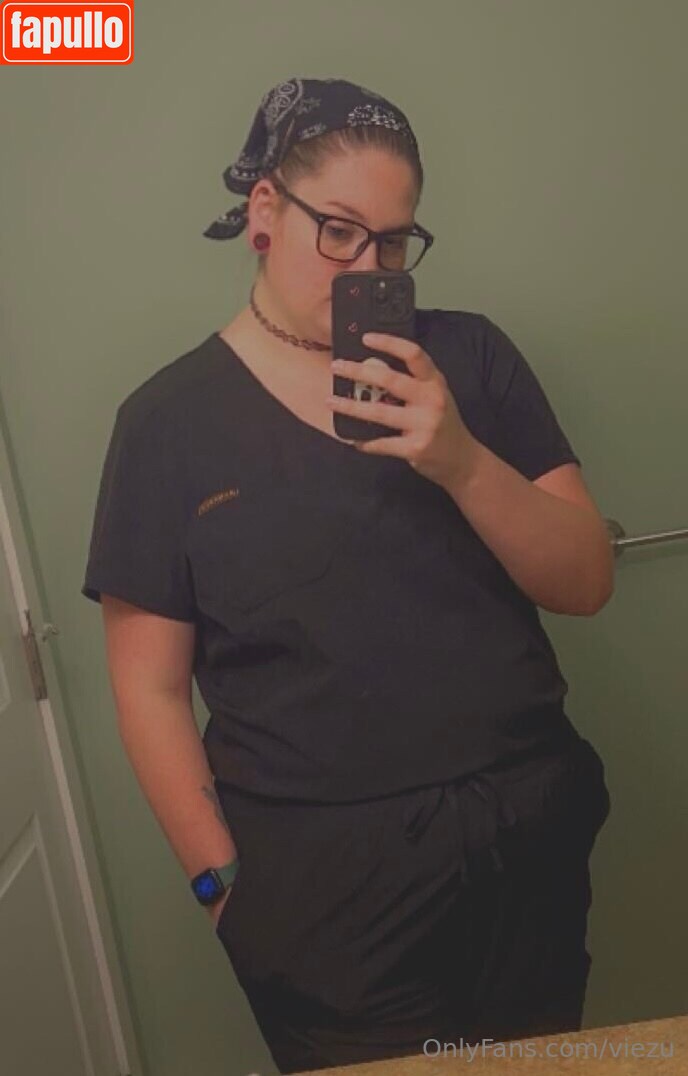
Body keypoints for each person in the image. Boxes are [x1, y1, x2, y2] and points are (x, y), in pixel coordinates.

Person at [81, 77, 614, 1074]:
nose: (368, 266)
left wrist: (461, 459)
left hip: (525, 839)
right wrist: (223, 889)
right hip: (323, 897)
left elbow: (585, 580)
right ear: (265, 212)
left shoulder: (470, 359)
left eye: (394, 241)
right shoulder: (165, 425)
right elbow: (148, 690)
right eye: (339, 231)